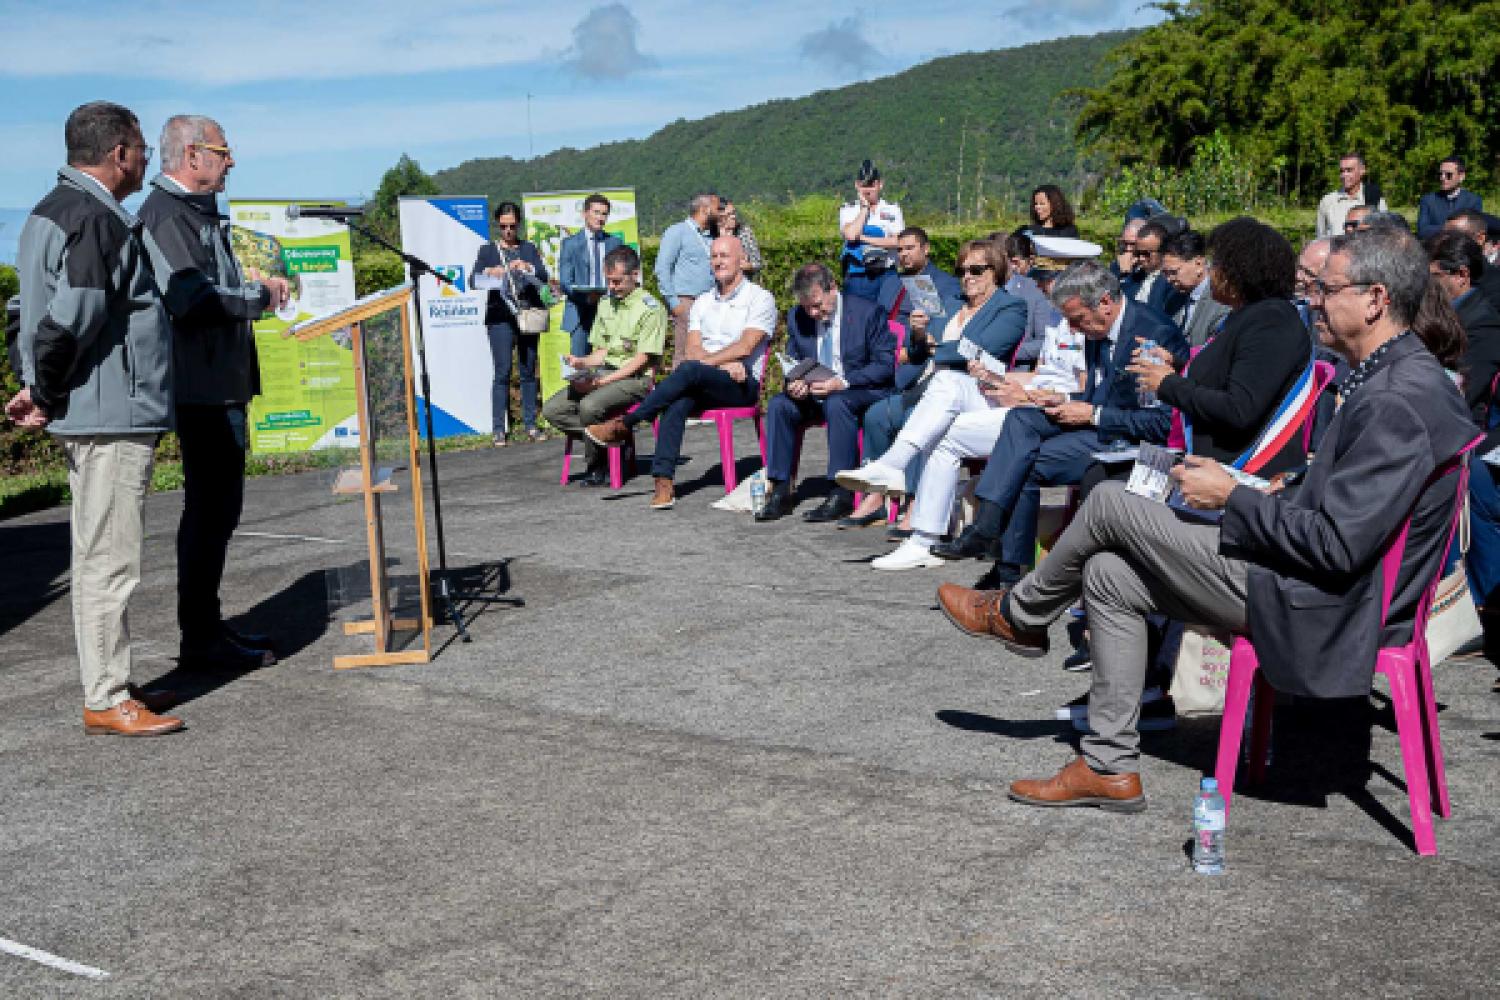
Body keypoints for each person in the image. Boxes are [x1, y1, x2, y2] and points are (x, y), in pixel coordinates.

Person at [933, 226, 1474, 811]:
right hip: (1322, 585)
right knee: (1110, 572)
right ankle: (1107, 765)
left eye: (1327, 289)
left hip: (1322, 603)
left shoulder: (1394, 399)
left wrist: (1234, 497)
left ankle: (1021, 612)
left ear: (1375, 300)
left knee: (1113, 503)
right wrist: (1286, 485)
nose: (1313, 299)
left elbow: (1337, 546)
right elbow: (1352, 510)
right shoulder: (1401, 376)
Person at [7, 102, 184, 736]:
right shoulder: (93, 217)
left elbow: (29, 313)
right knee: (110, 559)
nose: (145, 160)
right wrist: (47, 391)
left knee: (95, 556)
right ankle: (108, 697)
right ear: (118, 154)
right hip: (110, 413)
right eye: (140, 149)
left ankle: (107, 684)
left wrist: (36, 385)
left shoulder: (51, 211)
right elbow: (72, 316)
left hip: (96, 408)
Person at [137, 114, 289, 673]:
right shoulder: (167, 214)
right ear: (192, 154)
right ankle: (200, 638)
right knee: (210, 511)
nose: (232, 161)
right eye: (224, 151)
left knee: (219, 510)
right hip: (200, 389)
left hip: (218, 383)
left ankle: (205, 627)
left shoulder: (193, 212)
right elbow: (192, 299)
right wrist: (257, 295)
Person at [929, 262, 1188, 584]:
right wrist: (1063, 400)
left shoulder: (1150, 336)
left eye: (1077, 319)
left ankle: (1006, 570)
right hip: (1099, 423)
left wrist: (1091, 414)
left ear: (1105, 302)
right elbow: (1102, 391)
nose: (1075, 330)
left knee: (1024, 464)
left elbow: (1160, 423)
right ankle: (988, 529)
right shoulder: (1099, 328)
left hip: (1128, 440)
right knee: (1021, 418)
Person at [852, 268, 1084, 571]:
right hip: (1028, 401)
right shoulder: (1058, 322)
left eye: (1048, 283)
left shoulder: (1088, 328)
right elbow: (1041, 375)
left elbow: (1082, 391)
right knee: (947, 381)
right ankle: (917, 525)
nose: (1041, 289)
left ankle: (920, 529)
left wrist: (1024, 397)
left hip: (1051, 415)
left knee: (945, 431)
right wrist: (1001, 378)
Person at [841, 240, 1027, 530]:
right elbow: (915, 353)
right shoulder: (952, 303)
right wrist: (916, 335)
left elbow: (979, 349)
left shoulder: (1011, 307)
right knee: (876, 414)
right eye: (962, 270)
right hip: (925, 380)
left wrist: (933, 346)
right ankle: (877, 495)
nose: (967, 276)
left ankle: (915, 503)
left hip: (969, 388)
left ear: (996, 271)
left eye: (976, 269)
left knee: (921, 415)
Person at [586, 237, 775, 511]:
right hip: (708, 376)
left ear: (742, 260)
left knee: (688, 374)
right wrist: (719, 364)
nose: (718, 261)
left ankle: (628, 424)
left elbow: (746, 346)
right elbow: (692, 349)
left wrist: (710, 363)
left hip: (741, 382)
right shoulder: (702, 302)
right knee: (678, 398)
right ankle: (663, 481)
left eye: (724, 255)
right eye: (713, 256)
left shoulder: (759, 298)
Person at [755, 264, 895, 523]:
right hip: (814, 390)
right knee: (779, 405)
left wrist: (841, 382)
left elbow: (885, 366)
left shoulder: (868, 312)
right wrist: (794, 383)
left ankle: (840, 491)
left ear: (833, 288)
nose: (813, 313)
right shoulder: (799, 317)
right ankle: (780, 489)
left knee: (837, 403)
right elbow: (794, 359)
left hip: (858, 389)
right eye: (808, 307)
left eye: (818, 305)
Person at [541, 245, 666, 486]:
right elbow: (601, 352)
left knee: (589, 406)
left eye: (617, 281)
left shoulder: (651, 309)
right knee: (553, 410)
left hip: (635, 378)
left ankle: (597, 466)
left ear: (635, 275)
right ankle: (615, 439)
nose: (612, 287)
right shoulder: (607, 304)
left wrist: (601, 382)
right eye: (609, 281)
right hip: (605, 370)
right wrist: (581, 362)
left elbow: (642, 359)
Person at [474, 200, 549, 444]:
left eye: (513, 226)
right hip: (499, 318)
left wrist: (527, 266)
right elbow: (472, 280)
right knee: (502, 371)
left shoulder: (528, 248)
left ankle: (530, 424)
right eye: (503, 227)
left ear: (519, 225)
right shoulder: (487, 251)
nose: (508, 232)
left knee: (528, 371)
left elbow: (543, 275)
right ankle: (499, 427)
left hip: (526, 315)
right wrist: (489, 272)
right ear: (497, 225)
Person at [557, 193, 624, 357]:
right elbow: (565, 282)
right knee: (580, 367)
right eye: (596, 212)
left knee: (613, 360)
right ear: (585, 213)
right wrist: (587, 298)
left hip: (610, 309)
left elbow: (622, 275)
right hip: (580, 311)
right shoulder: (570, 244)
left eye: (604, 214)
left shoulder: (615, 243)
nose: (600, 217)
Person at [654, 192, 718, 349]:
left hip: (710, 301)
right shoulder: (677, 231)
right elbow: (662, 268)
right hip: (687, 301)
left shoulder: (711, 237)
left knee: (708, 351)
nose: (720, 213)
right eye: (717, 208)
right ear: (705, 209)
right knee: (684, 352)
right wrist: (674, 303)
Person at [839, 160, 905, 302]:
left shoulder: (892, 209)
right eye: (864, 185)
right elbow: (851, 235)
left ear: (880, 184)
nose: (867, 190)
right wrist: (864, 209)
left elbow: (898, 241)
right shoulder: (849, 210)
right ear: (857, 185)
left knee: (890, 319)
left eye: (871, 185)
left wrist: (863, 238)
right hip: (859, 276)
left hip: (887, 273)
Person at [876, 226, 961, 335]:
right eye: (900, 250)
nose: (904, 254)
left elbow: (940, 329)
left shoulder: (944, 283)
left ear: (926, 249)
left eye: (910, 248)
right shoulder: (891, 281)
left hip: (915, 346)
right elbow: (877, 317)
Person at [1158, 230, 1229, 346]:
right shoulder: (1173, 298)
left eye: (1173, 272)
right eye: (1165, 273)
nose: (1169, 279)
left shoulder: (1221, 299)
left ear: (1199, 264)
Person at [1126, 216, 1190, 319]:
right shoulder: (1134, 277)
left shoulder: (1171, 281)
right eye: (1137, 253)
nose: (1141, 258)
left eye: (1146, 254)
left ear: (1162, 252)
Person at [1316, 152, 1387, 237]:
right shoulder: (1328, 201)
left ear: (1362, 170)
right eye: (1342, 171)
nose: (1344, 175)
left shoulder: (1374, 198)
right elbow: (1320, 236)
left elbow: (1384, 232)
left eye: (1349, 170)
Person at [1444, 210, 1500, 314]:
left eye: (1455, 236)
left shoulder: (1495, 285)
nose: (1445, 242)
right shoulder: (1441, 274)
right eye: (1444, 236)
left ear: (1480, 238)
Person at [1417, 156, 1484, 239]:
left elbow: (1475, 230)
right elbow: (1422, 231)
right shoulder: (1428, 200)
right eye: (1440, 174)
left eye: (1448, 174)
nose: (1442, 178)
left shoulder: (1473, 201)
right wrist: (1450, 226)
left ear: (1461, 177)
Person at [712, 197, 763, 278]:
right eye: (729, 215)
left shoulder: (744, 232)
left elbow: (757, 262)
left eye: (733, 213)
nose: (733, 217)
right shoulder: (711, 236)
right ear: (719, 218)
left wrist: (748, 266)